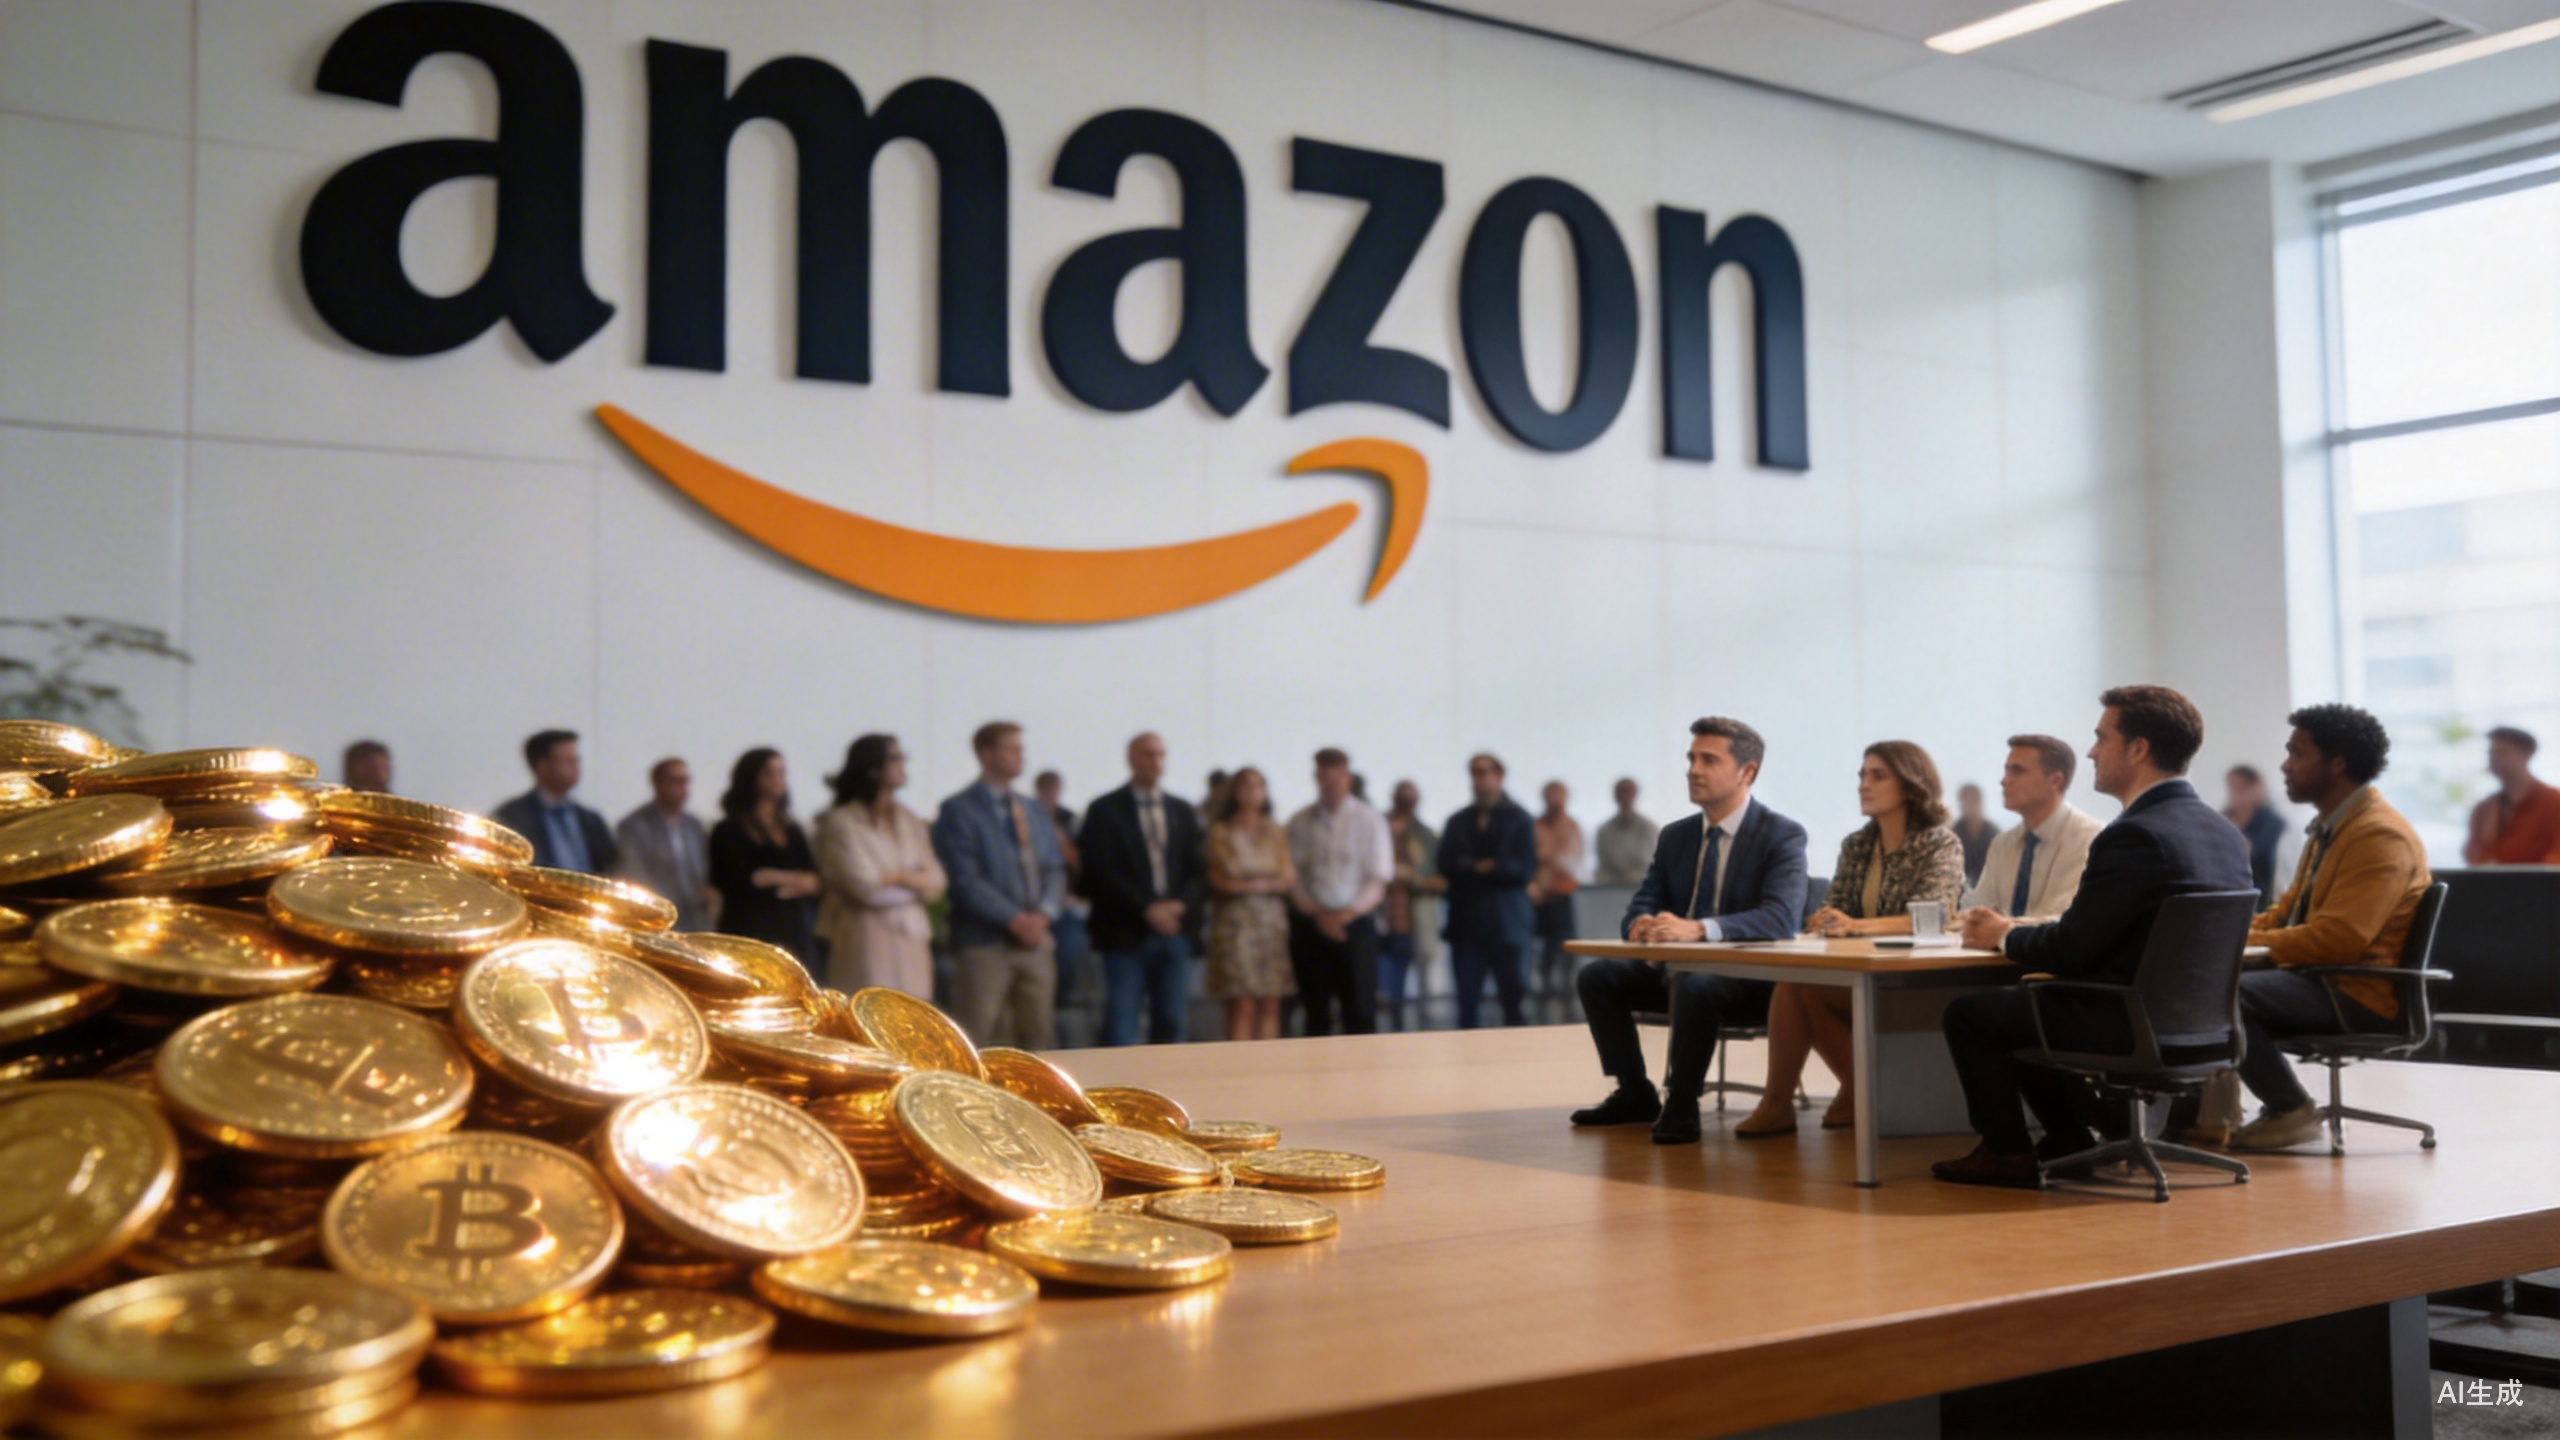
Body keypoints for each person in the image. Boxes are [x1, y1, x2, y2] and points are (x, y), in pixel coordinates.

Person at [1934, 686, 2254, 1190]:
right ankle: (2069, 1141)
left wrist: (2003, 936)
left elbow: (2072, 949)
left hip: (2129, 1021)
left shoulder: (2134, 835)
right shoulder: (2225, 833)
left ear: (2138, 749)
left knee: (1973, 1015)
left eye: (2102, 738)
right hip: (2204, 1027)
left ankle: (2006, 1152)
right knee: (2028, 1003)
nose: (2090, 752)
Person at [1572, 717, 1810, 1146]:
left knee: (1697, 984)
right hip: (1680, 973)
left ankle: (1681, 1102)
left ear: (1747, 772)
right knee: (1597, 976)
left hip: (1750, 982)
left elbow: (1780, 918)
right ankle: (1634, 1091)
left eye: (1708, 760)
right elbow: (1644, 901)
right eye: (1691, 759)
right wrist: (1641, 925)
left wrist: (1700, 929)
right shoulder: (1676, 837)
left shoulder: (1781, 835)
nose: (1693, 770)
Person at [2225, 705, 2431, 1152]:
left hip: (2357, 992)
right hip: (2322, 979)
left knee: (2223, 992)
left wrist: (2236, 944)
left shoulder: (2378, 835)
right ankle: (2208, 1116)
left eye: (2296, 753)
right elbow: (2286, 915)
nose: (2284, 765)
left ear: (2337, 763)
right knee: (2207, 978)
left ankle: (2290, 1108)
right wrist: (2224, 935)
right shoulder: (2332, 827)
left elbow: (2340, 939)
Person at [1741, 742, 1964, 1138]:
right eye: (1862, 775)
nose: (1864, 784)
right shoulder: (1857, 844)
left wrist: (1857, 926)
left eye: (1877, 776)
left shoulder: (1939, 842)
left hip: (1917, 978)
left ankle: (1856, 1089)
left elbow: (1934, 915)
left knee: (1809, 991)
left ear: (1910, 784)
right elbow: (1838, 907)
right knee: (1793, 984)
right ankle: (1780, 1103)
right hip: (1864, 971)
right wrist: (1825, 919)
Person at [932, 722, 1066, 1049]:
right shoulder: (959, 810)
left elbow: (1054, 868)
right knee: (981, 1039)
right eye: (1011, 748)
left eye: (1021, 748)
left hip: (1035, 942)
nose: (1020, 755)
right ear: (986, 754)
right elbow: (964, 878)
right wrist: (1014, 919)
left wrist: (1043, 915)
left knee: (1039, 1039)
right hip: (984, 943)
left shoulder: (1032, 809)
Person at [1079, 733, 1206, 1047]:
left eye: (1161, 755)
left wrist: (1178, 906)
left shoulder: (1181, 810)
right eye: (1148, 754)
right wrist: (1146, 908)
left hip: (1175, 931)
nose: (1156, 762)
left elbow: (1198, 869)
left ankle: (1169, 1079)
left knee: (1172, 1021)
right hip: (1125, 933)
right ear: (1132, 758)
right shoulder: (1106, 809)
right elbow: (1101, 871)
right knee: (1121, 1023)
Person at [813, 735, 947, 997]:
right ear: (873, 768)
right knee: (868, 1014)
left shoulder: (909, 820)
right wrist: (915, 884)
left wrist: (898, 877)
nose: (903, 765)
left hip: (912, 943)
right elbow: (867, 889)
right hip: (866, 942)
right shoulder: (841, 822)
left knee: (913, 1017)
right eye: (895, 758)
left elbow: (937, 883)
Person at [1285, 747, 1394, 1036]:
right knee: (1315, 1009)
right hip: (1313, 923)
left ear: (1348, 778)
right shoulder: (1299, 822)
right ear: (1317, 778)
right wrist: (1318, 914)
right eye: (1325, 780)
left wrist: (1348, 914)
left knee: (1360, 1009)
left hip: (1356, 923)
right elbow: (1294, 877)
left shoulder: (1370, 820)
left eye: (1337, 780)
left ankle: (1363, 1066)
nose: (1331, 787)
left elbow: (1378, 877)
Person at [1437, 756, 1539, 1029]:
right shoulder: (1459, 821)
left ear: (1499, 775)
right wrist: (1487, 866)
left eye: (1484, 772)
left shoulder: (1519, 819)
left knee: (1513, 1007)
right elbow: (1445, 865)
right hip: (1466, 927)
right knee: (1467, 1008)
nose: (1479, 779)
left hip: (1507, 927)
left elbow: (1523, 869)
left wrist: (1477, 867)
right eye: (1474, 773)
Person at [1960, 735, 2105, 924]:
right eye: (2006, 770)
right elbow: (1975, 910)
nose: (2004, 781)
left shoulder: (2092, 840)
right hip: (2000, 944)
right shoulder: (2002, 844)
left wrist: (2001, 927)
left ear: (2055, 781)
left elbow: (2067, 921)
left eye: (2017, 771)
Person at [1205, 768, 1296, 1041]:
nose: (1252, 792)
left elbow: (1287, 878)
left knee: (1270, 1001)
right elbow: (1222, 880)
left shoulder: (1275, 831)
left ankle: (1269, 1062)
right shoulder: (1222, 831)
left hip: (1270, 925)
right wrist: (1266, 883)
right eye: (1246, 786)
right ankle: (1238, 1062)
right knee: (1241, 1003)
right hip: (1237, 924)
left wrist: (1248, 883)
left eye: (1258, 786)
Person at [708, 748, 821, 967]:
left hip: (796, 929)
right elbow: (745, 880)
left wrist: (774, 877)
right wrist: (794, 880)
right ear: (751, 777)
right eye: (769, 773)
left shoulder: (793, 830)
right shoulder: (728, 830)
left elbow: (814, 881)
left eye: (781, 772)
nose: (777, 779)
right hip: (750, 929)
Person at [614, 757, 716, 931]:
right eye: (675, 782)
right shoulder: (635, 826)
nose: (683, 788)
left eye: (685, 781)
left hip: (694, 917)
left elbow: (703, 870)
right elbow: (634, 873)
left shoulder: (694, 825)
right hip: (654, 916)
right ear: (658, 784)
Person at [496, 730, 617, 875]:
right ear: (542, 766)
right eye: (567, 762)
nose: (575, 768)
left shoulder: (591, 820)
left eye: (576, 761)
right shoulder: (513, 817)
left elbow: (612, 869)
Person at [1036, 768, 1096, 1030]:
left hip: (1066, 902)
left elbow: (1076, 861)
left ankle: (1062, 999)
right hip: (1035, 903)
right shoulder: (1027, 815)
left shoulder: (1068, 819)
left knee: (1069, 950)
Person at [1382, 781, 1441, 1032]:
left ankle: (1425, 1018)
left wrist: (1415, 879)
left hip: (1420, 906)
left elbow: (1436, 875)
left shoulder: (1424, 834)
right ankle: (1392, 1019)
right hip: (1388, 909)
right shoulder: (1382, 826)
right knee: (1392, 968)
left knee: (1424, 962)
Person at [2463, 727, 2560, 865]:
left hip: (2539, 879)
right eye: (2491, 753)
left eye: (2501, 752)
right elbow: (2474, 856)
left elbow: (2556, 860)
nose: (2494, 759)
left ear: (2527, 754)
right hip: (2490, 879)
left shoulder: (2554, 803)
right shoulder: (2483, 810)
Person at [2223, 765, 2287, 904]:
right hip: (2227, 894)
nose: (2236, 794)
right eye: (2232, 788)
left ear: (2257, 788)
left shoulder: (2273, 822)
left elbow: (2263, 853)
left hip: (2261, 894)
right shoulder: (2224, 818)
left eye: (2241, 788)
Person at [1593, 778, 1659, 887]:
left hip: (1642, 888)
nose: (1625, 797)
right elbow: (1603, 868)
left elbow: (1652, 864)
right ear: (1615, 796)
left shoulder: (1649, 829)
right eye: (1621, 792)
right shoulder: (1604, 831)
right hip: (1611, 889)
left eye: (1628, 792)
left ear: (1635, 794)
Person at [1952, 783, 2000, 888]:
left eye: (1972, 801)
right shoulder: (1953, 835)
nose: (1968, 806)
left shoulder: (1994, 835)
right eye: (1965, 802)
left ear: (1979, 802)